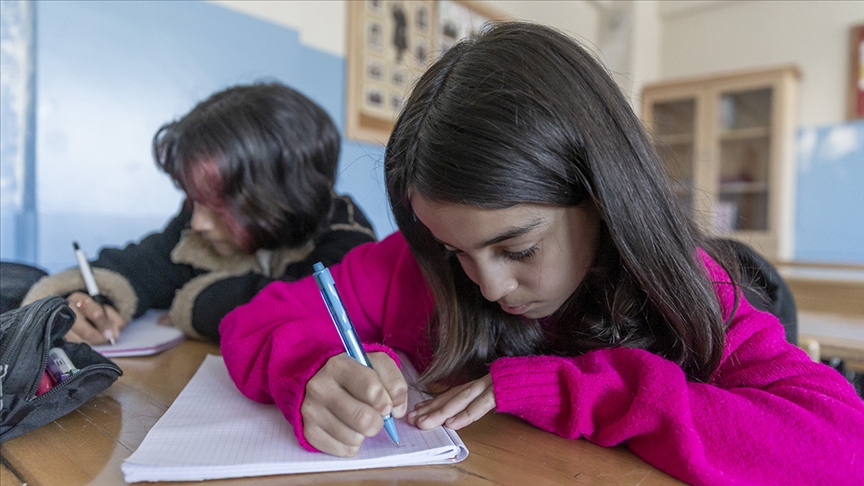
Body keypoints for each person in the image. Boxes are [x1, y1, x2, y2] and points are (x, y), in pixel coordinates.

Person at [218, 23, 864, 485]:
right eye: (453, 252)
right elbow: (255, 321)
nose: (489, 286)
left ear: (602, 199)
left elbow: (841, 447)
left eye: (518, 247)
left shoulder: (688, 288)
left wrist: (563, 389)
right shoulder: (410, 267)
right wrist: (313, 369)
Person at [22, 82, 377, 344]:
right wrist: (87, 302)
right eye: (194, 200)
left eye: (222, 205)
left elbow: (321, 312)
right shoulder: (196, 222)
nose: (197, 223)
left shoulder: (346, 233)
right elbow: (138, 266)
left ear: (281, 195)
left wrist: (200, 302)